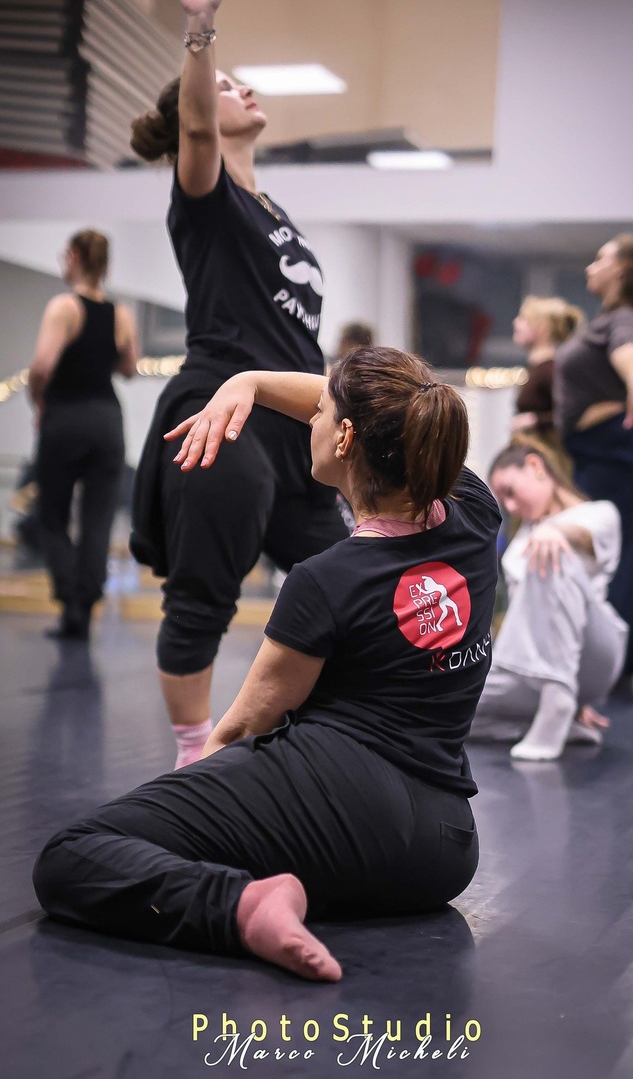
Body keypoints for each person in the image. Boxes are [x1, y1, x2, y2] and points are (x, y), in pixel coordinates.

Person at [33, 346, 500, 983]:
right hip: (443, 850)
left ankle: (244, 907)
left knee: (75, 855)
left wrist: (189, 808)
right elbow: (377, 410)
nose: (309, 418)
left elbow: (239, 731)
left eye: (321, 412)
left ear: (345, 438)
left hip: (344, 805)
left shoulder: (325, 579)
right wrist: (248, 382)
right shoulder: (475, 513)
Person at [129, 0, 348, 767]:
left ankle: (326, 736)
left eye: (239, 81)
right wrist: (201, 25)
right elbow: (195, 122)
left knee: (343, 581)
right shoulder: (206, 197)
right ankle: (193, 757)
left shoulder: (275, 212)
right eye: (228, 86)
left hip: (294, 422)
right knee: (204, 595)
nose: (241, 89)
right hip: (222, 410)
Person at [554, 235, 633, 679]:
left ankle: (606, 662)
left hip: (615, 450)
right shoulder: (609, 319)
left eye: (600, 258)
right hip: (604, 449)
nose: (591, 265)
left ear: (620, 270)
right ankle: (624, 659)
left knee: (608, 550)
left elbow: (627, 347)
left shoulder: (624, 318)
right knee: (622, 547)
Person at [472, 439, 627, 761]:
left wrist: (555, 531)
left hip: (591, 653)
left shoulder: (599, 513)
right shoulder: (521, 541)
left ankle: (558, 699)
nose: (511, 507)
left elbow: (582, 535)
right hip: (528, 667)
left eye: (510, 491)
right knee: (445, 711)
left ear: (535, 466)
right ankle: (558, 721)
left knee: (549, 552)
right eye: (503, 501)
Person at [28, 230, 138, 641]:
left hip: (66, 416)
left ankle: (71, 602)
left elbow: (42, 365)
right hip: (107, 420)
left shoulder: (64, 307)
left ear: (74, 257)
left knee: (51, 515)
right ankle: (86, 606)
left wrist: (39, 401)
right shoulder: (120, 313)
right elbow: (129, 367)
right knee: (98, 519)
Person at [511, 296, 584, 445]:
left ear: (542, 328)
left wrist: (536, 420)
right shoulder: (540, 369)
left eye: (524, 319)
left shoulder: (549, 370)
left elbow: (573, 411)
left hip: (549, 450)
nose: (516, 322)